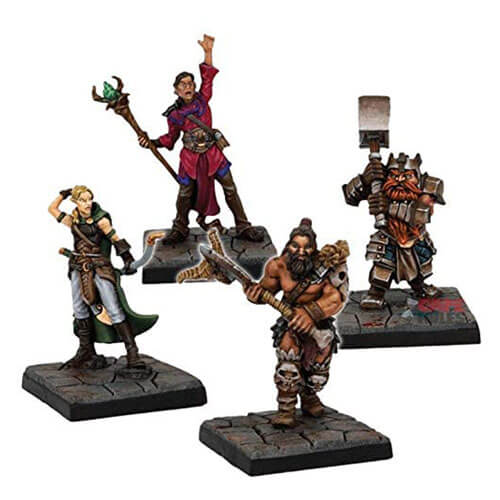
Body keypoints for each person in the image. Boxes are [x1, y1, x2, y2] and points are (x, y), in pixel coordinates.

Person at [139, 34, 264, 244]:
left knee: (230, 188)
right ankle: (180, 228)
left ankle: (243, 226)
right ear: (176, 90)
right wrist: (151, 143)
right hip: (190, 159)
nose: (187, 87)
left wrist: (208, 52)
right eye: (182, 84)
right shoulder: (174, 114)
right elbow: (170, 139)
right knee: (185, 193)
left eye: (190, 83)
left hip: (213, 154)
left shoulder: (203, 100)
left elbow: (208, 77)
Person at [245, 219, 349, 427]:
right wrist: (254, 295)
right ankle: (286, 410)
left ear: (314, 248)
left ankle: (309, 398)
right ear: (288, 245)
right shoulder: (278, 266)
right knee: (288, 367)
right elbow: (266, 291)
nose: (300, 252)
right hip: (290, 325)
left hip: (319, 327)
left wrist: (311, 312)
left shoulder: (327, 267)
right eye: (295, 246)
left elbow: (336, 298)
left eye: (306, 247)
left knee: (318, 373)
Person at [48, 186, 157, 373]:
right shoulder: (73, 220)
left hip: (100, 267)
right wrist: (63, 195)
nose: (88, 203)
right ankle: (86, 350)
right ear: (76, 202)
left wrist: (127, 259)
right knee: (79, 308)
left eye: (89, 199)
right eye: (83, 200)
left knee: (113, 308)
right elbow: (52, 209)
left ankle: (132, 353)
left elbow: (115, 239)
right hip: (78, 266)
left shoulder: (101, 219)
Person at [343, 152, 445, 309]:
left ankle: (420, 288)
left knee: (419, 266)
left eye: (407, 176)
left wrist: (388, 208)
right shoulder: (381, 187)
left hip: (414, 237)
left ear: (418, 177)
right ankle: (376, 294)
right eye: (393, 176)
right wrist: (364, 179)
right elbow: (350, 197)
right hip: (388, 236)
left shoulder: (427, 189)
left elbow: (420, 215)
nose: (399, 180)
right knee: (383, 266)